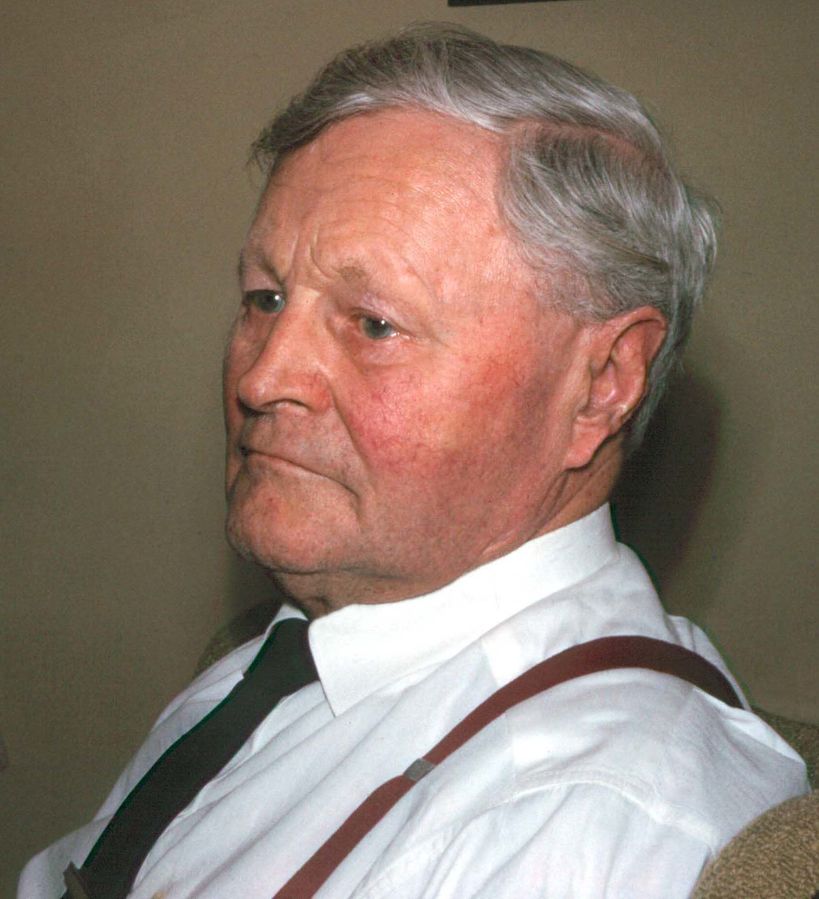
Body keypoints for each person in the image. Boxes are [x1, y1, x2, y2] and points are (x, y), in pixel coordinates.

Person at [20, 24, 807, 899]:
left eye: (373, 324)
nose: (263, 376)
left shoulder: (571, 822)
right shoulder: (285, 657)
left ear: (599, 386)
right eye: (265, 297)